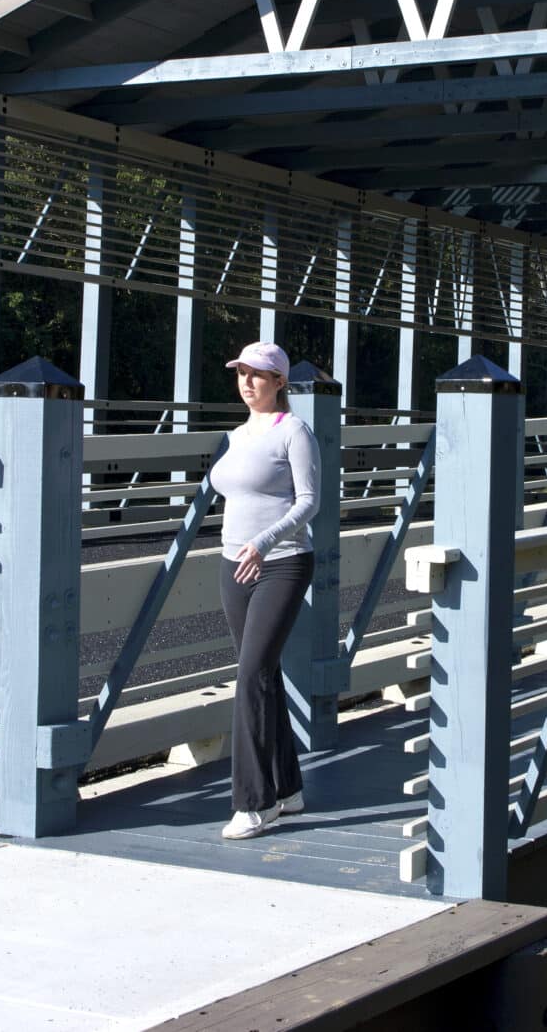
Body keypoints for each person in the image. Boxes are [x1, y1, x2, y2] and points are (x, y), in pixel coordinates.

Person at [207, 341, 321, 840]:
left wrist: (264, 540)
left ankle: (254, 803)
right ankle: (288, 789)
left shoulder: (294, 431)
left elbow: (310, 502)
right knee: (263, 675)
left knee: (251, 675)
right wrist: (239, 546)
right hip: (235, 565)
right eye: (241, 374)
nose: (248, 383)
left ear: (280, 382)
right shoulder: (234, 435)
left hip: (282, 563)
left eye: (258, 375)